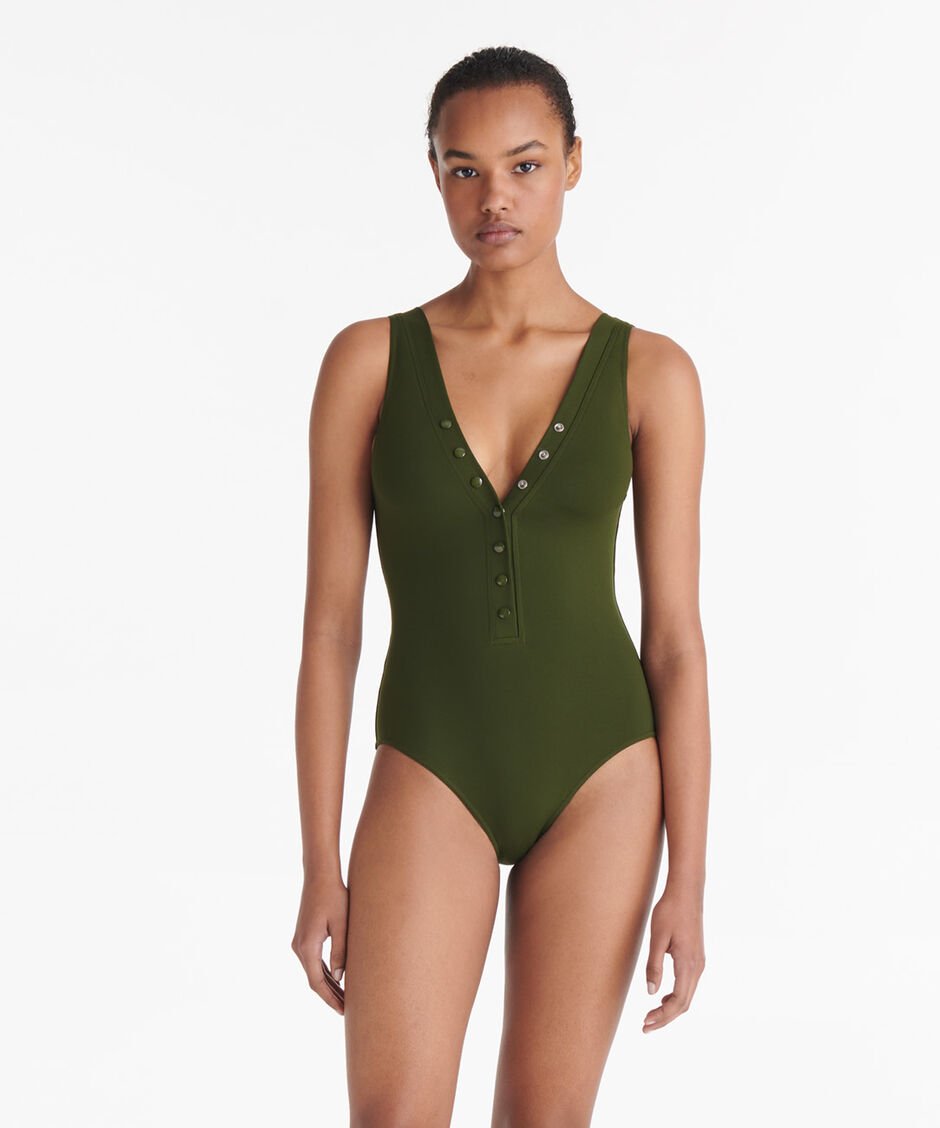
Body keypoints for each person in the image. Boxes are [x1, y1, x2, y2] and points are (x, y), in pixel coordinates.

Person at [291, 45, 710, 1127]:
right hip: (431, 762)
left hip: (605, 774)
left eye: (524, 165)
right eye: (463, 170)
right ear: (433, 175)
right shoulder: (368, 361)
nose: (495, 199)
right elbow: (330, 628)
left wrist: (691, 880)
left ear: (573, 164)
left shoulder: (653, 372)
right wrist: (319, 862)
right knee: (393, 1115)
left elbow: (674, 641)